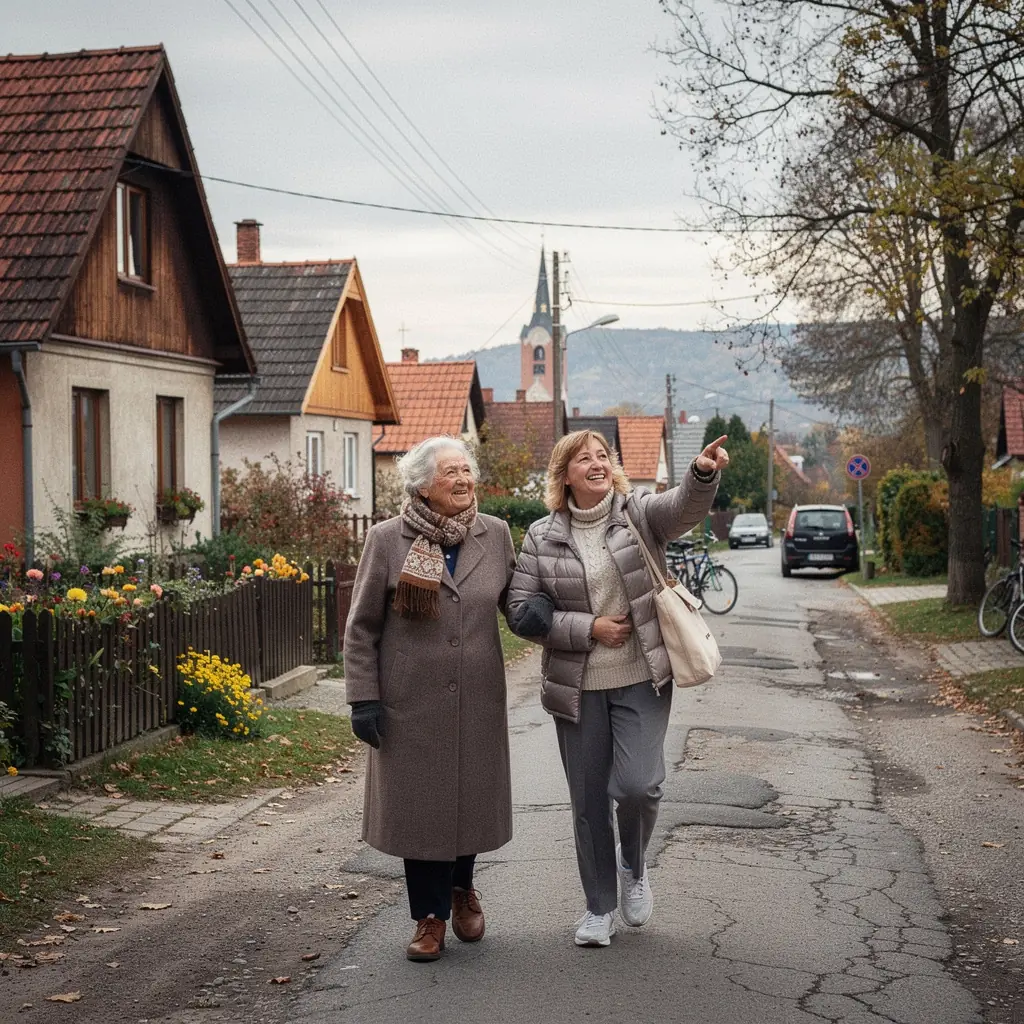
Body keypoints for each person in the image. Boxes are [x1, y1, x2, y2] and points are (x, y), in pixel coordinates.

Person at [507, 429, 728, 948]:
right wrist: (588, 629)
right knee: (587, 801)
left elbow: (681, 510)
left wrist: (701, 473)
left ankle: (634, 862)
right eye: (583, 458)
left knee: (638, 785)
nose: (596, 463)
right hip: (577, 686)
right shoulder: (541, 535)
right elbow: (520, 610)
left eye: (603, 455)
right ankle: (598, 908)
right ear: (564, 474)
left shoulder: (638, 514)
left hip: (640, 676)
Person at [344, 436, 516, 962]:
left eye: (467, 471)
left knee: (467, 802)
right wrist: (363, 699)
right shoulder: (387, 539)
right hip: (409, 704)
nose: (464, 481)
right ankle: (430, 916)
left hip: (478, 698)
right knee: (422, 813)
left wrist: (573, 623)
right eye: (450, 474)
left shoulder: (496, 535)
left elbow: (521, 603)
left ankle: (463, 889)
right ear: (422, 485)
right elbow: (361, 627)